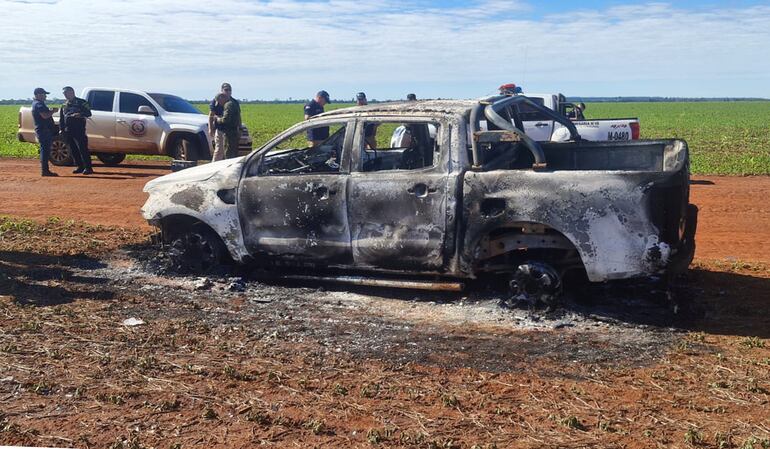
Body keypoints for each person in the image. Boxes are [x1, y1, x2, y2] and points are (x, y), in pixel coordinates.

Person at [60, 86, 93, 174]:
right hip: (68, 130)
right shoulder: (64, 105)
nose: (65, 95)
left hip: (79, 130)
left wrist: (80, 114)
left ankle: (88, 168)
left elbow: (89, 113)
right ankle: (80, 166)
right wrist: (61, 129)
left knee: (82, 149)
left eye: (67, 93)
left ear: (72, 92)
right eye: (64, 94)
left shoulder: (82, 102)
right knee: (73, 150)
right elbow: (62, 119)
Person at [31, 88, 58, 177]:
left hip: (43, 130)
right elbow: (45, 115)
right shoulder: (39, 104)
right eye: (44, 94)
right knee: (45, 151)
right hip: (44, 131)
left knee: (45, 150)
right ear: (38, 95)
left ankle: (45, 170)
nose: (45, 96)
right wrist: (53, 111)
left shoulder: (37, 104)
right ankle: (45, 171)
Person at [215, 83, 242, 159]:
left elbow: (226, 119)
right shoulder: (232, 102)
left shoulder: (229, 104)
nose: (228, 92)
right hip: (233, 132)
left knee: (228, 154)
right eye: (226, 90)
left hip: (230, 132)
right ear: (222, 91)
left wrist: (218, 119)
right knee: (233, 152)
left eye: (229, 90)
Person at [209, 93, 228, 161]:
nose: (219, 103)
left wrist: (218, 118)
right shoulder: (214, 103)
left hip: (228, 130)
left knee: (227, 150)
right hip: (219, 128)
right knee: (219, 149)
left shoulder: (230, 103)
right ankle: (214, 166)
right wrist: (210, 128)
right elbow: (211, 115)